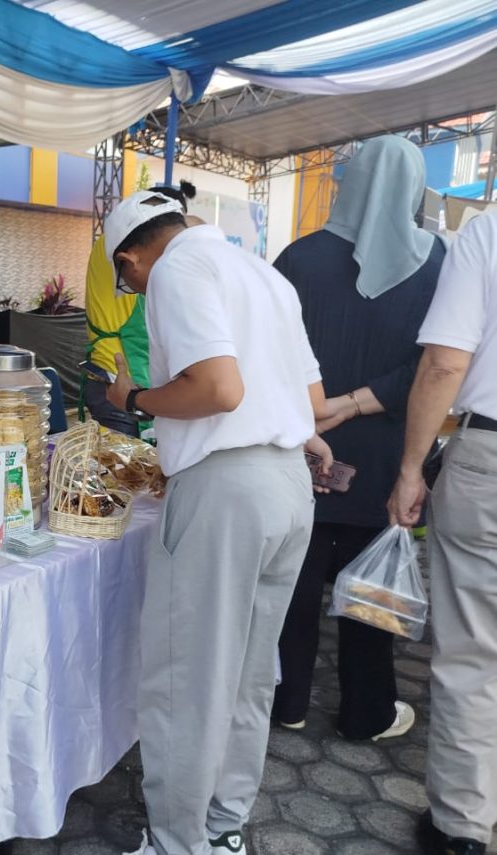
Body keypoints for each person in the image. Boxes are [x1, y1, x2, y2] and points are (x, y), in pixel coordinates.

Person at [101, 190, 330, 855]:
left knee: (188, 678)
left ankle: (176, 843)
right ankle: (224, 824)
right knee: (249, 673)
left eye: (128, 283)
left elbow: (218, 389)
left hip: (226, 490)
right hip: (288, 483)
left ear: (132, 258)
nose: (138, 293)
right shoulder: (263, 272)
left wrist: (134, 398)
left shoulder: (175, 270)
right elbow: (310, 399)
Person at [272, 137, 444, 741]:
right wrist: (361, 404)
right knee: (372, 587)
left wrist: (328, 408)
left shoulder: (298, 259)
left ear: (349, 181)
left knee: (291, 584)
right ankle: (366, 712)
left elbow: (268, 353)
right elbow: (437, 363)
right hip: (392, 456)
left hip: (302, 446)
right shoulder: (437, 261)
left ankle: (285, 701)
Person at [387, 211, 497, 855]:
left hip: (490, 456)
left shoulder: (486, 232)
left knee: (474, 654)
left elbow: (444, 364)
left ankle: (462, 828)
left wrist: (410, 468)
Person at [81, 181, 196, 435]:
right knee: (129, 468)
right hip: (121, 377)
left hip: (110, 372)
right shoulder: (124, 246)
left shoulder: (119, 242)